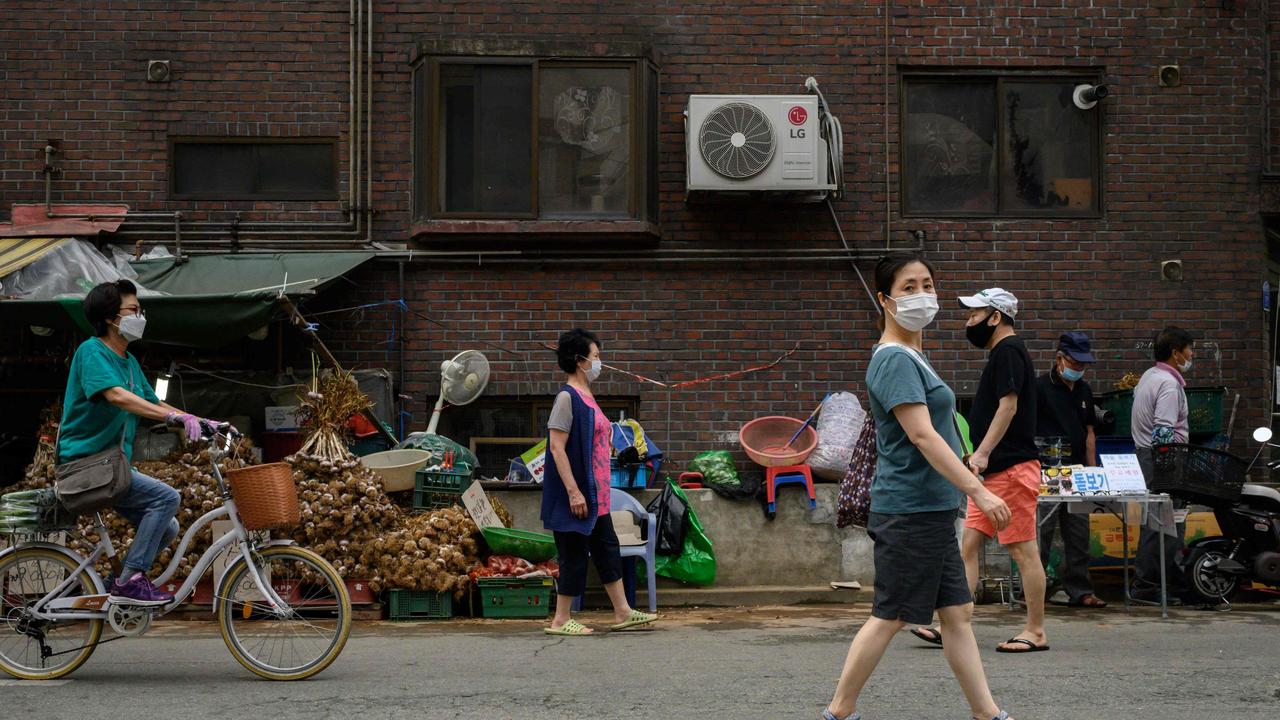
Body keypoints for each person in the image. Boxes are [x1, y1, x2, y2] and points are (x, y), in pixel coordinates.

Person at [822, 254, 1015, 720]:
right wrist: (980, 492)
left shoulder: (912, 356)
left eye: (927, 283)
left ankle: (987, 713)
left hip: (928, 509)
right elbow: (923, 436)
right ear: (885, 300)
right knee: (891, 615)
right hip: (909, 511)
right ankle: (838, 712)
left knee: (957, 615)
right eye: (908, 287)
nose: (922, 293)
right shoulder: (892, 360)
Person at [57, 280, 224, 605]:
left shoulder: (129, 362)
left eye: (140, 310)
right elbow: (116, 396)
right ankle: (130, 579)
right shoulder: (92, 351)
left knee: (169, 528)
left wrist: (204, 422)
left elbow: (158, 406)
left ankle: (114, 585)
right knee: (166, 498)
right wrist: (174, 419)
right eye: (133, 310)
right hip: (86, 465)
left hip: (112, 467)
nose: (140, 316)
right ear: (110, 317)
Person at [912, 287, 1049, 654]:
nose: (967, 321)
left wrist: (983, 453)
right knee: (968, 545)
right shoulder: (1003, 353)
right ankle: (955, 624)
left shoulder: (1008, 350)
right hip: (992, 474)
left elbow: (1008, 407)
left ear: (995, 317)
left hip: (1011, 469)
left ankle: (1035, 631)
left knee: (1023, 551)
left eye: (974, 314)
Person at [541, 329, 657, 635]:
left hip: (598, 496)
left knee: (607, 550)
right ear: (580, 361)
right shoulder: (567, 398)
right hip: (578, 496)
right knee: (574, 554)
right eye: (595, 356)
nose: (599, 362)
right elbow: (555, 448)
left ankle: (622, 612)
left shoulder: (588, 397)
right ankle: (561, 620)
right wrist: (574, 492)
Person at [1035, 332, 1106, 608]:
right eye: (1074, 363)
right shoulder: (1039, 388)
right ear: (1059, 359)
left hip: (1077, 472)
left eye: (1083, 365)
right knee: (1040, 533)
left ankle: (1080, 590)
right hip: (1047, 473)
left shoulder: (1085, 391)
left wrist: (1092, 471)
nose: (1079, 369)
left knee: (1079, 533)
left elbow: (1090, 432)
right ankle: (1034, 590)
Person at [1129, 326, 1195, 604]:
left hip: (1147, 456)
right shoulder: (1168, 385)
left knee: (1161, 523)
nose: (1192, 355)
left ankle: (1167, 582)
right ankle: (1147, 586)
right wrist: (1171, 467)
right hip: (1163, 459)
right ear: (1175, 353)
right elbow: (1163, 430)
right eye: (1190, 350)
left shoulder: (1149, 376)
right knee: (1163, 524)